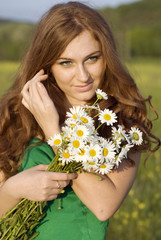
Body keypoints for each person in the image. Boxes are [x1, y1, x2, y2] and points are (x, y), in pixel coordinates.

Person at [0, 1, 160, 239]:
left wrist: (54, 131)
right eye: (66, 63)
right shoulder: (14, 115)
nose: (83, 76)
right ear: (46, 67)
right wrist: (13, 190)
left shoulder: (124, 123)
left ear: (107, 58)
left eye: (92, 58)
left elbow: (103, 206)